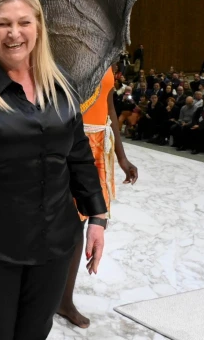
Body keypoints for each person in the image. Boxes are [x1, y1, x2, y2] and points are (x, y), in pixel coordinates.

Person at [0, 0, 107, 340]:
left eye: (24, 22)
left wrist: (97, 217)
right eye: (3, 23)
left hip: (55, 239)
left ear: (38, 27)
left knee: (35, 333)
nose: (14, 33)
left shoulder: (61, 84)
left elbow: (78, 154)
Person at [57, 65, 138, 328]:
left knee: (80, 222)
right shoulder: (62, 50)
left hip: (97, 145)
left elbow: (110, 107)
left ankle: (64, 300)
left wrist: (122, 157)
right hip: (68, 141)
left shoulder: (108, 57)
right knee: (54, 220)